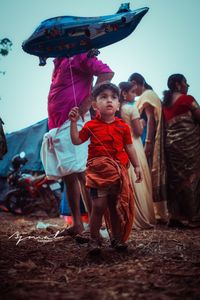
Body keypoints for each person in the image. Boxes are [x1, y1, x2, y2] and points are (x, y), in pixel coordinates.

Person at [41, 52, 114, 238]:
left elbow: (106, 73)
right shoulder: (59, 59)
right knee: (69, 175)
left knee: (83, 174)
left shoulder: (80, 54)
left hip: (73, 123)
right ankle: (78, 225)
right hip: (57, 125)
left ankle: (95, 227)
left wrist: (86, 104)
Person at [69, 82, 142, 252]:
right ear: (95, 106)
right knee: (99, 206)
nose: (109, 100)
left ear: (118, 105)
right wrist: (73, 122)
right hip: (97, 172)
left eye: (113, 97)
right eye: (103, 97)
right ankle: (94, 239)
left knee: (115, 206)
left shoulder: (123, 126)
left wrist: (137, 166)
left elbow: (129, 147)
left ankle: (116, 239)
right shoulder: (90, 126)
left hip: (118, 173)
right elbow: (76, 140)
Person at [128, 72, 168, 224]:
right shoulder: (145, 96)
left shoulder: (147, 95)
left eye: (132, 88)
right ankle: (156, 211)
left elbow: (150, 119)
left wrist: (149, 142)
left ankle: (159, 213)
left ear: (135, 83)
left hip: (147, 139)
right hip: (143, 138)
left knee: (150, 172)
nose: (133, 92)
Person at [162, 74, 200, 228]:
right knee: (192, 179)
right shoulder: (187, 99)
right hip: (190, 145)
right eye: (185, 82)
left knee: (176, 180)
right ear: (178, 84)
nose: (187, 85)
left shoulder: (165, 104)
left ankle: (176, 216)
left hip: (172, 147)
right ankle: (193, 217)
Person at [119, 81, 155, 229]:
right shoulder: (131, 109)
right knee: (138, 180)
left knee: (127, 181)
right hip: (134, 145)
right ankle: (140, 217)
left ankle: (126, 216)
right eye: (132, 92)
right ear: (124, 93)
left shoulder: (118, 108)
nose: (135, 95)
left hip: (122, 146)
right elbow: (138, 132)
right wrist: (142, 123)